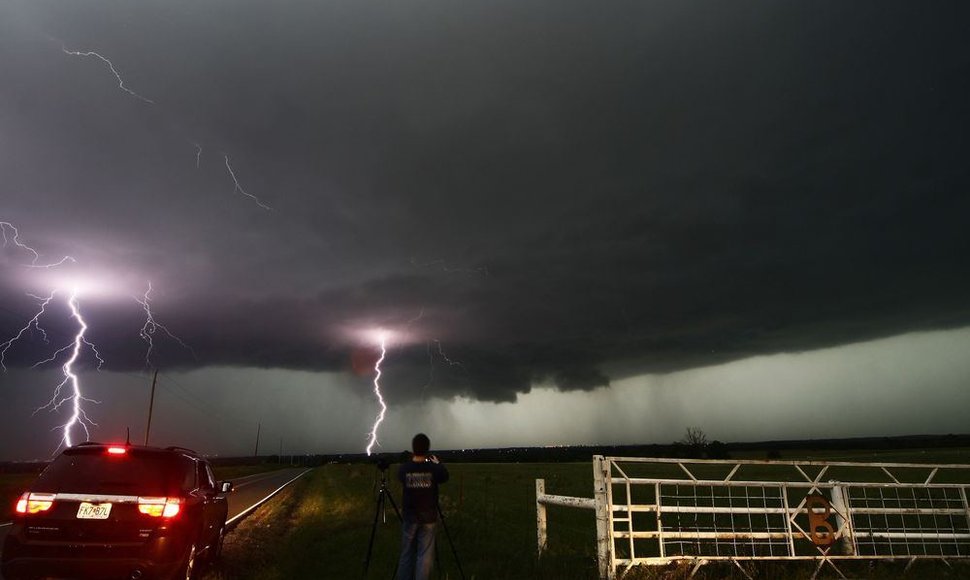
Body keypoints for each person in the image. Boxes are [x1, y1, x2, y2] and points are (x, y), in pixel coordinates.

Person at [395, 433, 449, 580]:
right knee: (424, 555)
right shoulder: (433, 468)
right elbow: (445, 476)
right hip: (428, 517)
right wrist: (437, 463)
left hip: (410, 517)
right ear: (427, 450)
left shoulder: (404, 469)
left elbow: (400, 477)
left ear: (413, 449)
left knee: (406, 553)